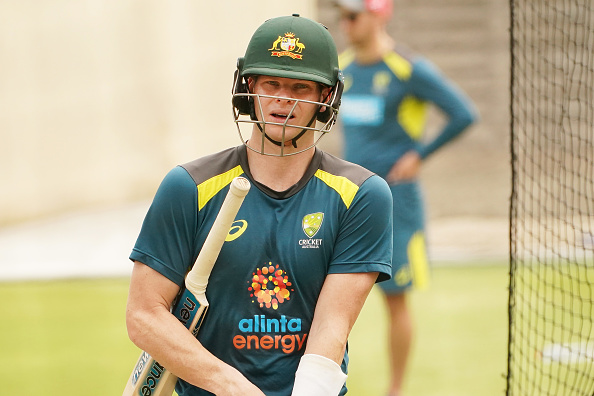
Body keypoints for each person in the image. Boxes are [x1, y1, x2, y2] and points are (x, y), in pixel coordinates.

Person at [125, 14, 394, 396]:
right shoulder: (189, 187)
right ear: (247, 86)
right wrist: (232, 387)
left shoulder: (361, 195)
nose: (283, 99)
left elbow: (331, 327)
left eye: (301, 87)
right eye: (271, 83)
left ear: (326, 97)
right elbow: (144, 315)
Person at [333, 1, 479, 395]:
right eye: (342, 16)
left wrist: (420, 156)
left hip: (397, 203)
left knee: (395, 299)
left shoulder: (407, 69)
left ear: (380, 15)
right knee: (329, 298)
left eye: (352, 16)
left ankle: (394, 390)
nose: (345, 24)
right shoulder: (340, 70)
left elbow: (464, 113)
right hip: (347, 202)